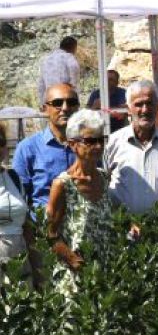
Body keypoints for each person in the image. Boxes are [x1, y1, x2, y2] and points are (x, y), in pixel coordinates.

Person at [46, 110, 113, 294]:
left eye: (101, 140)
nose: (98, 146)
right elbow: (51, 234)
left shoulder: (104, 178)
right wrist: (73, 260)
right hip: (74, 279)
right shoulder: (62, 185)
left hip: (105, 274)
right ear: (73, 145)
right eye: (90, 141)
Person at [104, 80, 158, 216]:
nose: (145, 110)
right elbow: (103, 183)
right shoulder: (113, 143)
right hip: (122, 229)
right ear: (129, 109)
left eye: (149, 103)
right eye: (139, 104)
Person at [13, 83, 79, 207]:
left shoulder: (90, 144)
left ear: (78, 107)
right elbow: (19, 195)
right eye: (57, 103)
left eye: (71, 102)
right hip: (44, 223)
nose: (65, 108)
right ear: (44, 108)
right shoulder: (28, 148)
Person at [0, 123, 32, 266]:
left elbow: (26, 226)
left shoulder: (13, 177)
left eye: (1, 142)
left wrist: (37, 267)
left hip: (19, 258)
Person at [37, 36, 80, 108]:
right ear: (73, 47)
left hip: (50, 100)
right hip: (64, 99)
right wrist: (75, 99)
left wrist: (42, 103)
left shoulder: (46, 60)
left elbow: (41, 85)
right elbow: (74, 75)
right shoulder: (68, 57)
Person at [87, 69, 129, 133]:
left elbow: (122, 114)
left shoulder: (123, 93)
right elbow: (86, 114)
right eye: (105, 79)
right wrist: (94, 107)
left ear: (117, 82)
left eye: (111, 79)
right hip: (99, 130)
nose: (107, 81)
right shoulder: (96, 94)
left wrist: (101, 110)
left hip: (119, 129)